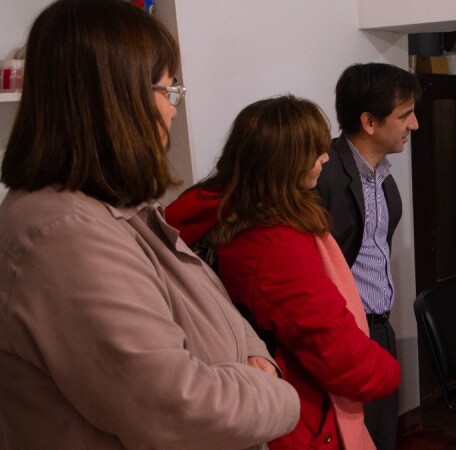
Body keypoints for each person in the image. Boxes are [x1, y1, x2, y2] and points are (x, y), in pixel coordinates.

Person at [0, 0, 300, 448]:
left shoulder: (118, 208)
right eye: (166, 90)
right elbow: (176, 406)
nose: (173, 109)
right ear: (115, 99)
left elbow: (220, 315)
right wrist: (280, 395)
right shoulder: (66, 235)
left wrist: (254, 358)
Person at [165, 95, 401, 450]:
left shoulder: (217, 208)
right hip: (297, 414)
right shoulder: (273, 240)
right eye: (315, 150)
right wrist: (388, 372)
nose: (325, 158)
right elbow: (327, 342)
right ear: (286, 160)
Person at [315, 62, 421, 450]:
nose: (414, 125)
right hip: (345, 335)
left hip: (379, 330)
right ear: (369, 121)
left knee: (381, 439)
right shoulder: (323, 175)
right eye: (405, 115)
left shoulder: (385, 182)